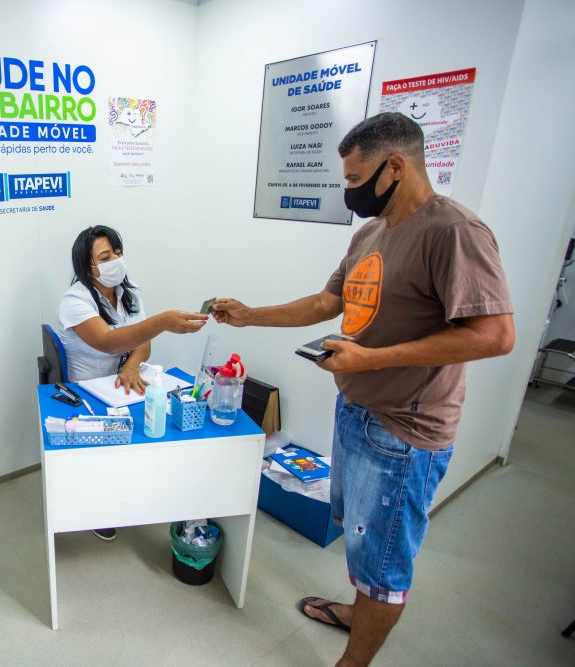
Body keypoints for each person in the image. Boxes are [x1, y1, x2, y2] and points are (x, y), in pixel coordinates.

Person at [213, 112, 514, 666]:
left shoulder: (455, 232)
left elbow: (494, 335)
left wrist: (372, 358)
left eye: (354, 181)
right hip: (357, 411)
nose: (349, 192)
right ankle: (358, 612)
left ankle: (354, 661)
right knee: (363, 538)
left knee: (385, 560)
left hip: (406, 431)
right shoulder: (371, 233)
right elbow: (328, 303)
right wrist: (249, 315)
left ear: (395, 167)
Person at [58, 225, 208, 540]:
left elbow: (142, 340)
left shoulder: (130, 290)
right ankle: (99, 505)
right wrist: (162, 322)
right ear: (89, 267)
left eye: (117, 252)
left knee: (162, 418)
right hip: (90, 387)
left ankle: (142, 496)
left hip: (123, 380)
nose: (116, 260)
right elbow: (109, 342)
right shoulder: (75, 300)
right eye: (105, 256)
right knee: (116, 440)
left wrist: (131, 365)